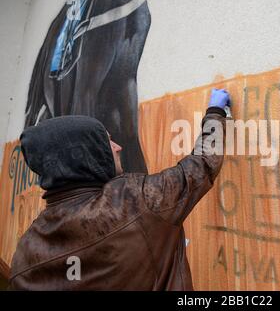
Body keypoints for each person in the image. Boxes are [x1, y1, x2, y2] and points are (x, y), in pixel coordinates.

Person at [9, 89, 231, 291]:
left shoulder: (25, 252)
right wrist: (215, 112)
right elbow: (202, 164)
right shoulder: (135, 201)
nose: (118, 147)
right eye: (107, 141)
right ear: (88, 153)